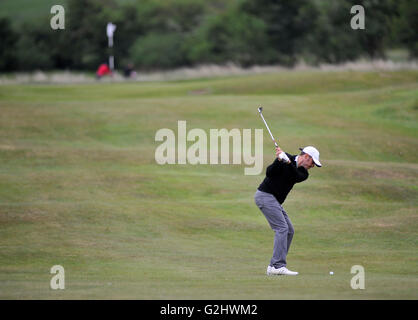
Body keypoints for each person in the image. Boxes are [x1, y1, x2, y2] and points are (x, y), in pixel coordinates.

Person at [254, 145, 322, 276]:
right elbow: (269, 172)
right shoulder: (287, 158)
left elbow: (294, 175)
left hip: (275, 201)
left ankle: (273, 266)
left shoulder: (303, 173)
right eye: (313, 162)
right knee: (282, 228)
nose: (313, 166)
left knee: (289, 230)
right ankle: (278, 266)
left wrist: (288, 162)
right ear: (306, 157)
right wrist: (279, 160)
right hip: (265, 196)